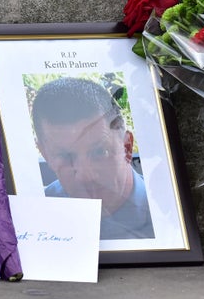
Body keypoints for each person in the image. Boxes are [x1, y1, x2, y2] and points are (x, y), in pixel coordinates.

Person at [30, 76, 154, 240]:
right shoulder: (34, 216)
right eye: (65, 156)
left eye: (100, 152)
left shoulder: (169, 213)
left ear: (127, 147)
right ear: (45, 154)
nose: (85, 176)